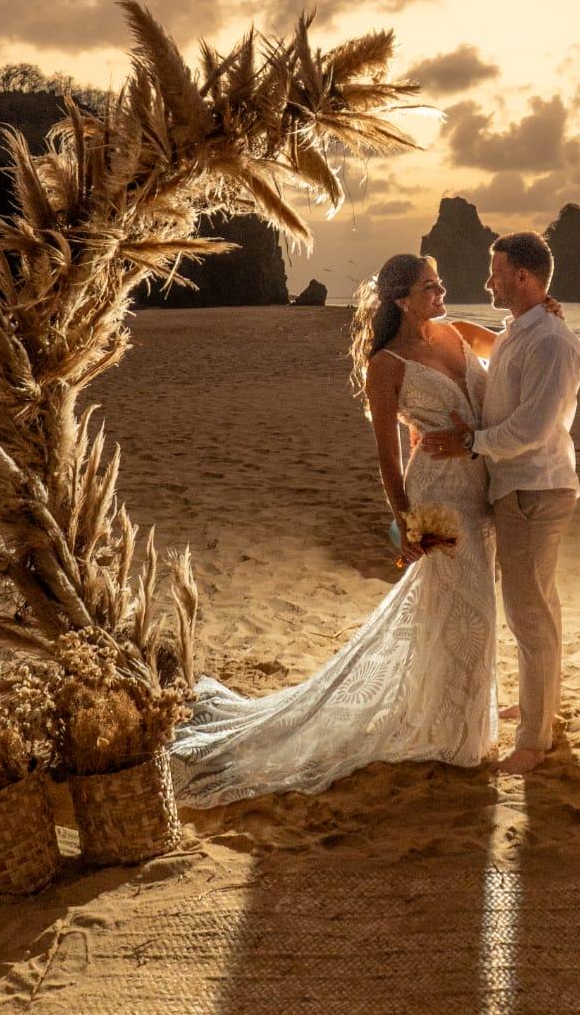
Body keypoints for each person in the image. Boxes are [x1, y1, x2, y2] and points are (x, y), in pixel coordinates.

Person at [171, 253, 505, 804]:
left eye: (440, 282)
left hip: (481, 489)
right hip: (437, 496)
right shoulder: (386, 365)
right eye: (430, 286)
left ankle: (450, 718)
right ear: (402, 299)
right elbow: (387, 455)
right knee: (470, 605)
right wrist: (405, 520)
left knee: (461, 609)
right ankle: (458, 737)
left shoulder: (458, 332)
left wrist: (544, 312)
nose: (442, 292)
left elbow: (514, 350)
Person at [421, 232, 580, 774]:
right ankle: (543, 709)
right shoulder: (522, 330)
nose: (488, 281)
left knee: (528, 613)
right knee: (539, 606)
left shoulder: (551, 341)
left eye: (496, 273)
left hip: (534, 489)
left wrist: (471, 442)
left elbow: (532, 429)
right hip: (521, 487)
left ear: (522, 276)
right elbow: (477, 341)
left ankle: (534, 741)